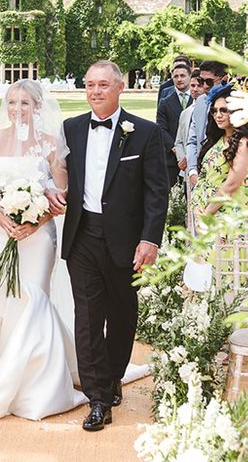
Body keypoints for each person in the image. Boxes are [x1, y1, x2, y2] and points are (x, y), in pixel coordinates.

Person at [0, 80, 85, 420]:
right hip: (0, 236)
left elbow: (61, 196)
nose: (17, 109)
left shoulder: (51, 144)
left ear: (37, 107)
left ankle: (33, 382)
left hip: (38, 238)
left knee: (33, 299)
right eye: (12, 102)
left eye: (25, 103)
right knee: (2, 300)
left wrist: (32, 223)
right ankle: (1, 367)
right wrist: (3, 219)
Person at [49, 60, 168, 432]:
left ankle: (114, 375)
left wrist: (150, 238)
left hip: (126, 240)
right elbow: (58, 175)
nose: (96, 91)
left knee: (121, 316)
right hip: (82, 235)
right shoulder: (71, 129)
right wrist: (52, 193)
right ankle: (98, 398)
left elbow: (157, 192)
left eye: (103, 85)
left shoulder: (145, 133)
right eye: (90, 85)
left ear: (120, 88)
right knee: (86, 318)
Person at [191, 84, 248, 215]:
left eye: (223, 110)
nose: (218, 115)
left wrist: (207, 213)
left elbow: (232, 184)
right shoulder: (216, 140)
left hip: (227, 219)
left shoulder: (243, 143)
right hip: (204, 215)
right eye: (214, 111)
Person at [186, 61, 229, 188]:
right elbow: (193, 140)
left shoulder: (235, 103)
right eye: (201, 81)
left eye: (209, 82)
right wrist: (193, 170)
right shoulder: (200, 102)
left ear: (224, 79)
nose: (204, 86)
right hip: (200, 176)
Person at [156, 63, 192, 186]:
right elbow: (161, 129)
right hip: (172, 159)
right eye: (176, 76)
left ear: (190, 76)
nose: (179, 79)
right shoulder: (165, 103)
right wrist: (177, 150)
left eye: (182, 75)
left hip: (195, 157)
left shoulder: (199, 100)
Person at [174, 70, 205, 180]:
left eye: (199, 86)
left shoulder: (211, 110)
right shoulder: (185, 113)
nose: (195, 89)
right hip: (186, 169)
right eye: (192, 85)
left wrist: (190, 158)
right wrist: (183, 158)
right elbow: (178, 141)